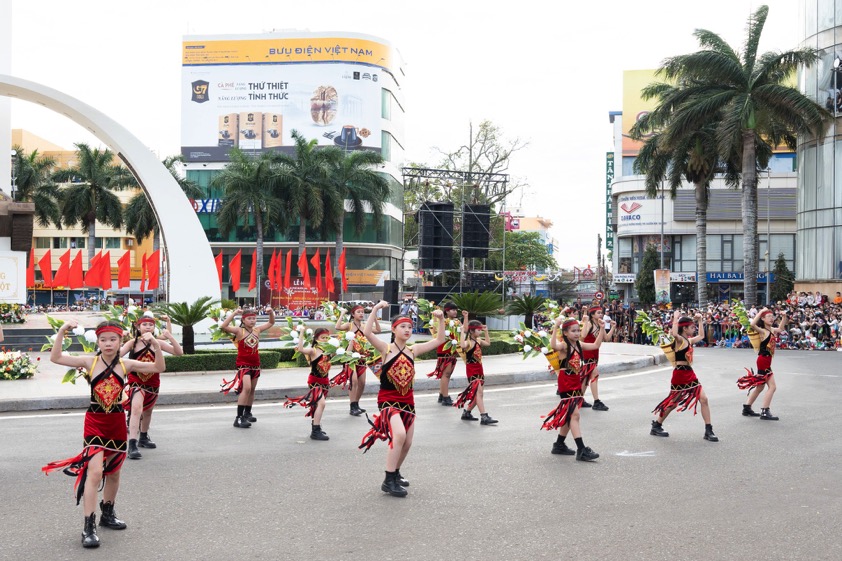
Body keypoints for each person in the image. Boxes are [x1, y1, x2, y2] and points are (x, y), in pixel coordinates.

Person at [42, 320, 165, 548]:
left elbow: (159, 368)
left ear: (120, 341)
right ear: (97, 341)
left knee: (115, 473)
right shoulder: (90, 362)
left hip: (117, 423)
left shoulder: (126, 364)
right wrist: (61, 331)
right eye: (103, 339)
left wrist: (156, 345)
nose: (108, 343)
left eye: (113, 339)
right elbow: (56, 357)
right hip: (95, 423)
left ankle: (107, 512)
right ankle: (89, 526)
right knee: (95, 472)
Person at [359, 301, 445, 497]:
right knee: (399, 435)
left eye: (409, 327)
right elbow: (367, 333)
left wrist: (441, 320)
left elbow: (440, 340)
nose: (407, 330)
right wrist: (375, 310)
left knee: (407, 443)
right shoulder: (385, 349)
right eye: (403, 326)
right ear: (394, 329)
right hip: (388, 399)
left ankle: (395, 473)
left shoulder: (413, 351)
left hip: (408, 401)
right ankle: (388, 480)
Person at [121, 313, 183, 460]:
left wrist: (170, 336)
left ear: (154, 327)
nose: (148, 327)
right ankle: (132, 444)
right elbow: (118, 355)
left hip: (153, 382)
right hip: (136, 381)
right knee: (136, 410)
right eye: (145, 324)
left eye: (151, 325)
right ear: (138, 327)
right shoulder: (132, 343)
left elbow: (179, 352)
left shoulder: (158, 343)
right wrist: (117, 338)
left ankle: (143, 436)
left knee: (147, 412)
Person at [650, 311, 718, 442]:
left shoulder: (689, 340)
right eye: (692, 327)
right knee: (673, 403)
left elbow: (702, 335)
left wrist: (700, 319)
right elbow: (675, 333)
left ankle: (708, 430)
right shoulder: (679, 340)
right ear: (684, 328)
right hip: (680, 374)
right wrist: (676, 318)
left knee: (703, 399)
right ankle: (657, 425)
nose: (694, 329)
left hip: (689, 373)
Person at [543, 314, 603, 462]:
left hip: (576, 381)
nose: (576, 333)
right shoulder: (564, 346)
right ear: (565, 333)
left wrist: (602, 328)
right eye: (573, 331)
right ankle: (581, 449)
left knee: (570, 415)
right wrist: (556, 326)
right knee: (575, 415)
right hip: (566, 382)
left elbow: (596, 345)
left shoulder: (579, 345)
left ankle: (559, 444)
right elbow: (553, 346)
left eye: (578, 330)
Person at [219, 306, 275, 428]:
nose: (252, 321)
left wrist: (271, 313)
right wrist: (234, 312)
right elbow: (223, 326)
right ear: (243, 320)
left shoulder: (257, 330)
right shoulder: (239, 331)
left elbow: (271, 322)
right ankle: (238, 418)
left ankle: (247, 413)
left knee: (252, 389)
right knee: (247, 388)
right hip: (243, 364)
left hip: (256, 364)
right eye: (249, 318)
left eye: (254, 318)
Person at [738, 308, 788, 420]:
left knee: (760, 387)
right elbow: (752, 325)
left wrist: (784, 317)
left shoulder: (772, 330)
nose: (771, 318)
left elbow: (780, 328)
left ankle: (747, 408)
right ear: (763, 319)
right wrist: (760, 312)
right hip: (763, 360)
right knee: (772, 387)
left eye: (772, 316)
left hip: (765, 360)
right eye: (768, 316)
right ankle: (765, 410)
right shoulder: (762, 331)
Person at [284, 327, 332, 440]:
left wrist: (349, 340)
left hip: (325, 382)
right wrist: (301, 332)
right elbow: (300, 349)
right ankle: (315, 430)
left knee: (317, 405)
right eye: (322, 337)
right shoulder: (313, 350)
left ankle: (316, 429)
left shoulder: (330, 351)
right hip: (314, 381)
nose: (325, 340)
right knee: (322, 404)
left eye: (327, 337)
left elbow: (344, 353)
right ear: (316, 338)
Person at [335, 304, 381, 416]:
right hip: (349, 358)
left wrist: (374, 318)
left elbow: (378, 330)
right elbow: (337, 327)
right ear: (353, 314)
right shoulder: (349, 325)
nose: (361, 314)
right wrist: (342, 314)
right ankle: (352, 406)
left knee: (362, 383)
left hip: (361, 357)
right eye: (359, 312)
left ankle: (356, 404)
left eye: (362, 312)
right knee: (354, 381)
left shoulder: (365, 326)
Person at [454, 310, 498, 425]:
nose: (480, 331)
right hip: (472, 369)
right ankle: (484, 416)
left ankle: (467, 413)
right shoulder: (468, 342)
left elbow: (488, 343)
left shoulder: (478, 340)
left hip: (479, 368)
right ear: (472, 331)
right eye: (478, 330)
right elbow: (462, 345)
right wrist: (463, 331)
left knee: (478, 394)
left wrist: (486, 331)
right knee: (479, 393)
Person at [426, 302, 461, 406]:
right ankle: (445, 397)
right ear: (446, 311)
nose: (455, 312)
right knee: (445, 374)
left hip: (452, 350)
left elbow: (464, 331)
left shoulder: (457, 322)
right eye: (452, 310)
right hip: (444, 350)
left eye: (456, 310)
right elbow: (436, 330)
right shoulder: (443, 321)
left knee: (447, 374)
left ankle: (442, 395)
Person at [580, 304, 609, 411]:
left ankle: (579, 399)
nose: (601, 314)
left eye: (601, 312)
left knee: (586, 377)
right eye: (598, 313)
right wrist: (585, 322)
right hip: (587, 351)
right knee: (594, 375)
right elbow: (582, 336)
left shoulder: (599, 324)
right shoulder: (589, 323)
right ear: (592, 315)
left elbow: (606, 338)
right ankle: (596, 401)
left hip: (595, 352)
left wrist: (612, 327)